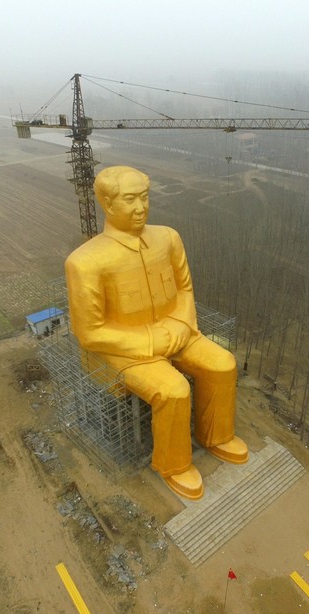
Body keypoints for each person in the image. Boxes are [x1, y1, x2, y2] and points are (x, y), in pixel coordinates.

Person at [64, 166, 248, 500]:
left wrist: (180, 325)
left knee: (223, 364)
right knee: (173, 390)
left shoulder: (168, 238)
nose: (140, 208)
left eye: (145, 197)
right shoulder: (85, 262)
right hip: (123, 350)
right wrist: (150, 341)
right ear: (106, 203)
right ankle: (173, 464)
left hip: (177, 331)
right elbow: (89, 332)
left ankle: (216, 436)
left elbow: (186, 290)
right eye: (129, 199)